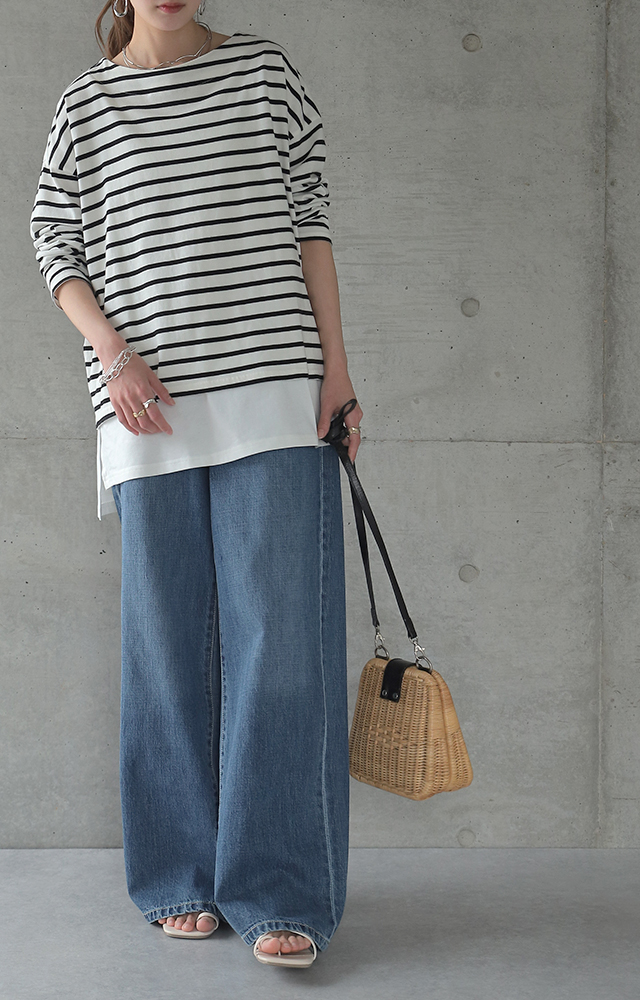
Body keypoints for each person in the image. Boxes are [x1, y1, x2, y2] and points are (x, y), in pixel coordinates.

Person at [30, 0, 363, 969]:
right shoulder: (87, 106)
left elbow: (310, 225)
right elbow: (56, 247)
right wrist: (113, 355)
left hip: (278, 392)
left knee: (282, 649)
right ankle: (179, 873)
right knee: (165, 646)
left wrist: (339, 374)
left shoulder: (263, 73)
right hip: (148, 410)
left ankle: (283, 890)